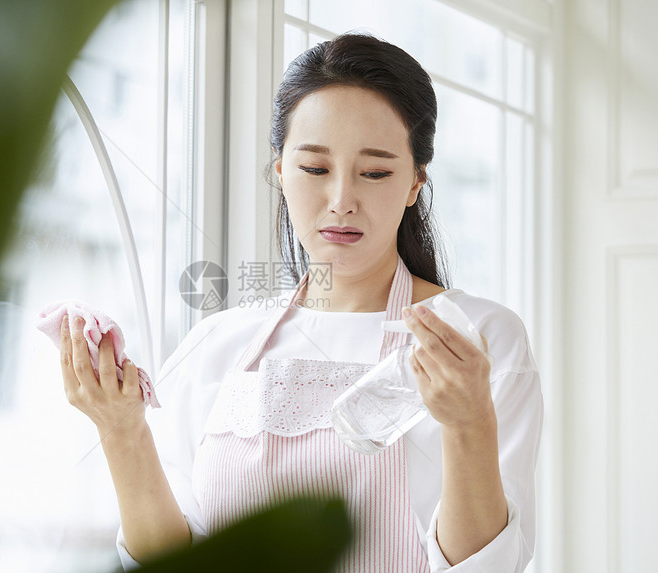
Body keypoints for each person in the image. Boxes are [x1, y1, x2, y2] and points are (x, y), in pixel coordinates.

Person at [59, 33, 543, 572]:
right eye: (315, 168)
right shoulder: (220, 343)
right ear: (280, 171)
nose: (341, 201)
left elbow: (489, 568)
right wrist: (121, 430)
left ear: (415, 183)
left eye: (376, 172)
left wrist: (469, 422)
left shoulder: (476, 338)